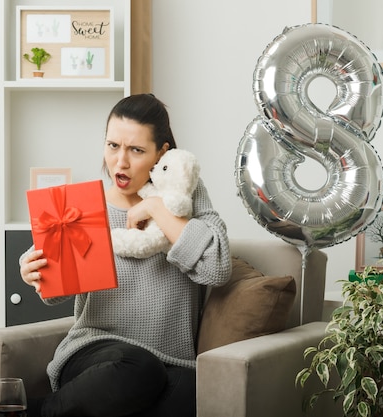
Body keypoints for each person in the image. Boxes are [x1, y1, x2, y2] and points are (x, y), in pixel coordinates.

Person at [19, 93, 231, 417]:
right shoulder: (86, 207)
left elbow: (216, 268)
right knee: (139, 366)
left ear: (163, 153)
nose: (120, 162)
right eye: (112, 146)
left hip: (171, 363)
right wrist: (35, 271)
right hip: (95, 354)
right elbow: (54, 298)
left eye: (136, 150)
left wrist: (158, 210)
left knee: (192, 392)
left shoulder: (185, 197)